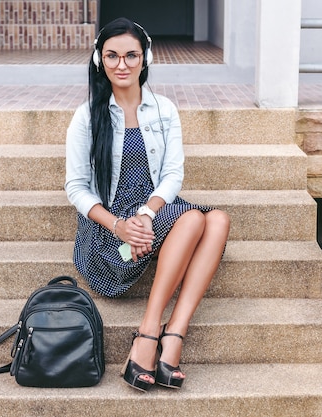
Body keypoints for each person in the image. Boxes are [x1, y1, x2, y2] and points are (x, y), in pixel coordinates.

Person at [64, 17, 230, 392]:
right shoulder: (87, 116)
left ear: (145, 58)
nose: (121, 65)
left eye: (130, 55)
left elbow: (172, 175)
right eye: (112, 56)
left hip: (149, 214)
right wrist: (121, 225)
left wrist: (146, 213)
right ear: (98, 60)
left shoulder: (164, 110)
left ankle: (172, 335)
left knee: (217, 220)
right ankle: (148, 333)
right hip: (108, 238)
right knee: (192, 220)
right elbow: (76, 188)